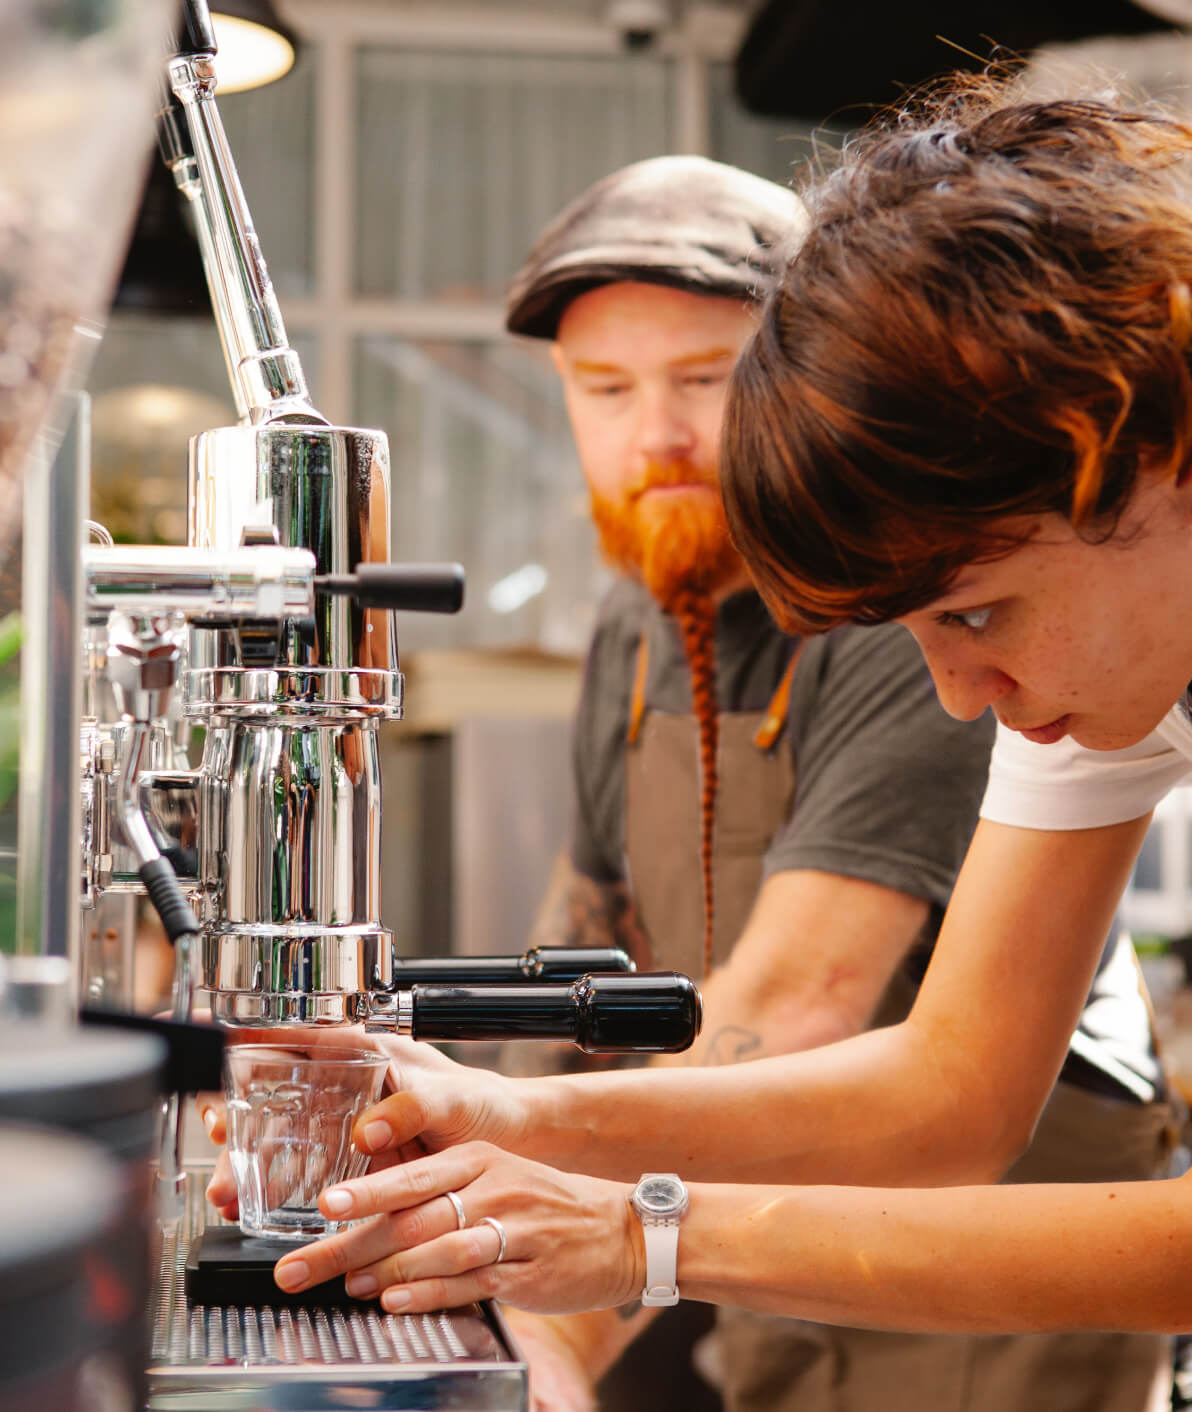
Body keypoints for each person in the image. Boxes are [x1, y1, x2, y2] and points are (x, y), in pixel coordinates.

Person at [206, 112, 1187, 1408]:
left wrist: (634, 1239)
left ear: (1151, 448)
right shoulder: (1062, 642)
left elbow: (814, 1013)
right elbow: (953, 1085)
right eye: (604, 390)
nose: (957, 695)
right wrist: (504, 1121)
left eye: (972, 615)